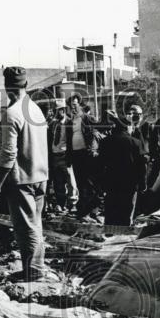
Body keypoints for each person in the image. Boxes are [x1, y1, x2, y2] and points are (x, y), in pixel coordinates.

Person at [0, 67, 50, 282]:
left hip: (22, 179)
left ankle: (34, 272)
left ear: (7, 87)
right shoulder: (35, 109)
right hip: (41, 175)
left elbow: (8, 155)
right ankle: (37, 267)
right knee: (36, 224)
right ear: (26, 85)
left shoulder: (12, 113)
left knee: (26, 228)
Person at [100, 108, 146, 227]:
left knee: (111, 208)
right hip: (130, 182)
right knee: (127, 209)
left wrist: (101, 184)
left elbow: (100, 164)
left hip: (111, 182)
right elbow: (141, 165)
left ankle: (110, 231)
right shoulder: (135, 142)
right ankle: (124, 232)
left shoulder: (105, 142)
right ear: (127, 127)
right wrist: (143, 183)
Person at [64, 94, 102, 222]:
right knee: (80, 184)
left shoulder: (87, 118)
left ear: (79, 105)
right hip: (76, 156)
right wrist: (68, 158)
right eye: (71, 106)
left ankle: (92, 211)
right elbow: (68, 141)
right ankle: (83, 212)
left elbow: (101, 127)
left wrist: (94, 148)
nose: (73, 108)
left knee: (90, 184)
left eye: (75, 105)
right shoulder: (69, 122)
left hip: (87, 155)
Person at [46, 99, 78, 214]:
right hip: (55, 156)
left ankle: (72, 204)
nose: (55, 113)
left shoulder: (69, 123)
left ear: (63, 110)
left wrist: (70, 156)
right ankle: (61, 204)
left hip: (65, 156)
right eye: (54, 111)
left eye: (57, 111)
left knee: (70, 181)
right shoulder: (53, 124)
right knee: (58, 182)